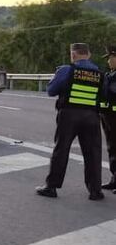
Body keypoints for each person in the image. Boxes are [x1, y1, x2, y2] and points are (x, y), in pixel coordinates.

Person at [36, 43, 104, 200]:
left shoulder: (67, 70)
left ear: (73, 55)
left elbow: (51, 91)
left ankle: (51, 187)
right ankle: (95, 191)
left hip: (69, 115)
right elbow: (104, 94)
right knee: (93, 153)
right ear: (89, 54)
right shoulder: (100, 74)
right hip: (92, 116)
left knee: (61, 150)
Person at [101, 45, 116, 192]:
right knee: (112, 148)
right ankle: (114, 179)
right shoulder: (110, 74)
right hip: (108, 115)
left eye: (110, 58)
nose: (109, 62)